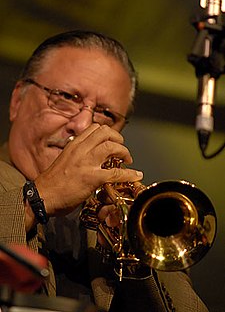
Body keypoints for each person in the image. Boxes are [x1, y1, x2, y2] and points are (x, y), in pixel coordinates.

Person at [0, 30, 209, 312]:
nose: (84, 125)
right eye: (65, 97)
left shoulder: (120, 214)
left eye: (106, 114)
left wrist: (136, 256)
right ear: (17, 102)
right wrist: (38, 199)